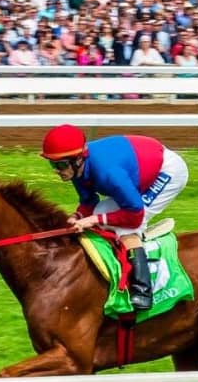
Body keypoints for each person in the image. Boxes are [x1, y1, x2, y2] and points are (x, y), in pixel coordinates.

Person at [40, 125, 189, 311]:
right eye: (53, 164)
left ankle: (143, 289)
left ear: (78, 159)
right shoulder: (79, 169)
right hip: (137, 169)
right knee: (101, 212)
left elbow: (134, 214)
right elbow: (89, 202)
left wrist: (93, 220)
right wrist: (76, 217)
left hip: (167, 172)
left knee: (127, 228)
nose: (57, 170)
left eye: (60, 165)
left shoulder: (107, 173)